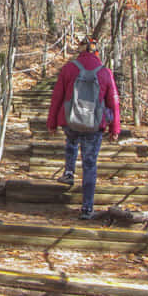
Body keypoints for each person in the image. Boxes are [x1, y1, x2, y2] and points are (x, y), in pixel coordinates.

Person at [46, 37, 121, 220]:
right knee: (89, 164)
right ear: (97, 52)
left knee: (71, 140)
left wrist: (52, 122)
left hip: (70, 121)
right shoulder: (105, 72)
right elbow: (114, 101)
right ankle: (87, 208)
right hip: (94, 125)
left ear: (80, 51)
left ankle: (69, 172)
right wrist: (114, 128)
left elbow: (57, 97)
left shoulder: (69, 68)